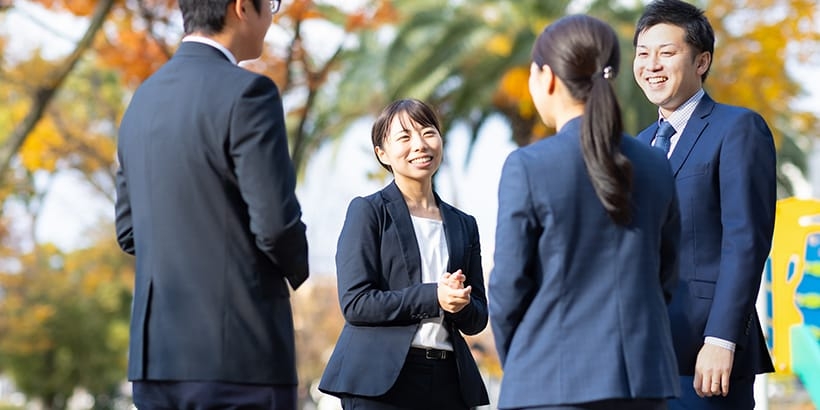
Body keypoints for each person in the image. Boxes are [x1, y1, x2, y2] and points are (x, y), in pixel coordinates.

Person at [114, 0, 309, 408]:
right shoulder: (249, 93)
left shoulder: (141, 102)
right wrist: (298, 266)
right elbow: (275, 225)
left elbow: (129, 232)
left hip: (155, 362)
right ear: (242, 7)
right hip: (240, 355)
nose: (272, 14)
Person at [489, 14, 681, 410]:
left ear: (547, 78)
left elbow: (508, 288)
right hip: (643, 382)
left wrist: (523, 358)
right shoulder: (656, 164)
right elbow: (664, 276)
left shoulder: (529, 166)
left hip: (551, 381)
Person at [632, 1, 776, 408]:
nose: (651, 65)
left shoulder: (737, 129)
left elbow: (745, 241)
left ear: (701, 61)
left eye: (667, 52)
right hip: (642, 360)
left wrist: (721, 339)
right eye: (643, 54)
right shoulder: (636, 147)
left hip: (706, 360)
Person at [318, 99, 490, 409]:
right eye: (404, 137)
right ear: (382, 153)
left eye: (428, 132)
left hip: (450, 381)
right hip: (381, 384)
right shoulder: (368, 212)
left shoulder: (464, 224)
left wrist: (459, 304)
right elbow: (356, 303)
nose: (420, 145)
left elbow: (477, 318)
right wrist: (433, 296)